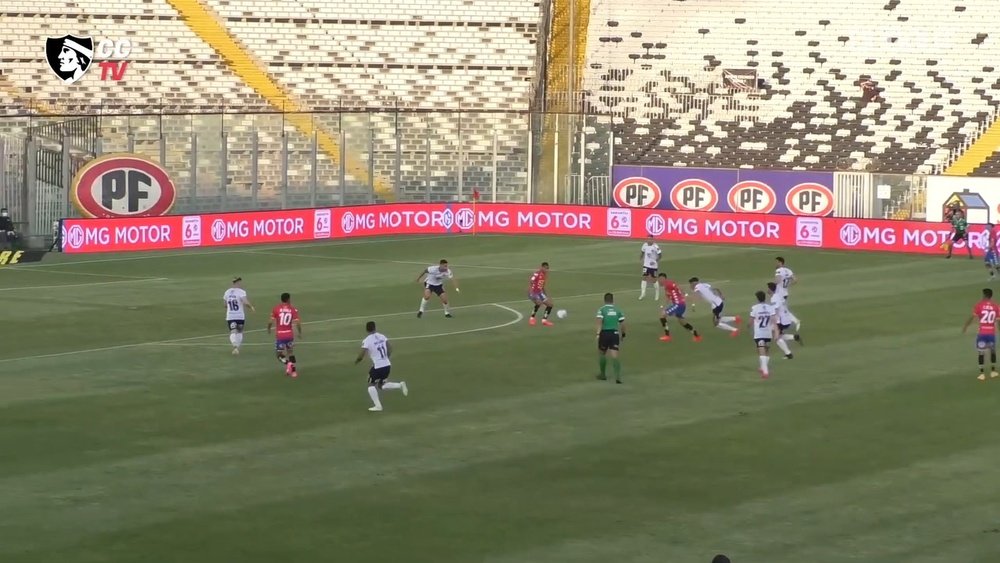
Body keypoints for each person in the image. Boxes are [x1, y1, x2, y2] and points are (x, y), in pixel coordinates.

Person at [355, 321, 408, 412]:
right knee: (381, 385)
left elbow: (361, 355)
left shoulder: (367, 340)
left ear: (367, 329)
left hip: (378, 366)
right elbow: (390, 348)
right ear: (375, 328)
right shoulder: (382, 336)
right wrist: (385, 358)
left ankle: (378, 406)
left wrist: (357, 361)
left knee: (370, 384)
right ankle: (400, 385)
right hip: (387, 365)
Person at [963, 288, 1000, 381]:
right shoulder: (996, 306)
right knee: (992, 351)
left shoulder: (979, 305)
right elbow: (998, 321)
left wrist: (966, 326)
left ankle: (982, 373)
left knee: (981, 352)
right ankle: (993, 372)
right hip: (991, 333)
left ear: (984, 295)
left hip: (982, 333)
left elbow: (972, 317)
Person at [267, 292, 302, 378]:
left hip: (280, 336)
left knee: (278, 355)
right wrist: (299, 333)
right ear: (288, 299)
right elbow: (297, 323)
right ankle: (294, 372)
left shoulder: (276, 309)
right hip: (289, 335)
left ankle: (288, 363)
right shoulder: (293, 309)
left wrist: (268, 329)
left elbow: (270, 321)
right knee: (290, 352)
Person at [657, 274, 700, 342]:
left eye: (659, 279)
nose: (658, 281)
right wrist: (663, 306)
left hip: (678, 304)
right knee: (682, 321)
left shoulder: (669, 283)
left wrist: (686, 295)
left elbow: (678, 287)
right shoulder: (666, 286)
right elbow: (668, 297)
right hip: (680, 305)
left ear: (662, 278)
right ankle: (696, 335)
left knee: (662, 315)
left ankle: (667, 335)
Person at [595, 292, 626, 383]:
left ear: (604, 300)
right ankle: (617, 377)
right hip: (615, 333)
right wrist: (623, 334)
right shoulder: (618, 310)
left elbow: (599, 321)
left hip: (604, 333)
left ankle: (603, 375)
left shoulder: (602, 310)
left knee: (602, 353)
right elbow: (623, 323)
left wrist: (597, 334)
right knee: (615, 355)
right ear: (613, 300)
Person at [767, 282, 802, 358]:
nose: (767, 290)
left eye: (768, 288)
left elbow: (775, 310)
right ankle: (794, 337)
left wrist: (772, 321)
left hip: (782, 320)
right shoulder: (778, 296)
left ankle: (788, 354)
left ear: (770, 289)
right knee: (778, 334)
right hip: (786, 319)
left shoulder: (774, 298)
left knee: (777, 338)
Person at [749, 290, 778, 379]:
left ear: (757, 299)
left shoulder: (755, 308)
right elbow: (774, 321)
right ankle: (762, 367)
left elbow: (751, 321)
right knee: (766, 351)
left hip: (759, 333)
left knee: (761, 352)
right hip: (768, 333)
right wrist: (776, 332)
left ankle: (765, 372)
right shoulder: (770, 308)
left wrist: (748, 325)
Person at [223, 277, 255, 355]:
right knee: (239, 332)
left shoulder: (227, 292)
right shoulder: (241, 292)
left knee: (233, 331)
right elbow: (245, 302)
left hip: (230, 316)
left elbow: (225, 305)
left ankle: (235, 347)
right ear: (237, 282)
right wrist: (251, 307)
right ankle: (236, 347)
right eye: (240, 282)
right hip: (240, 316)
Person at [774, 256, 801, 330]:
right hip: (785, 293)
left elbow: (778, 280)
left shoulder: (778, 270)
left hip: (779, 294)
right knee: (782, 309)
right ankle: (793, 321)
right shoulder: (788, 270)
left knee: (780, 309)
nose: (775, 264)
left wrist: (772, 286)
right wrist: (787, 285)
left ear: (780, 262)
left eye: (776, 262)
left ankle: (795, 321)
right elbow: (795, 280)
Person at [528, 261, 555, 326]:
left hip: (540, 293)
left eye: (547, 268)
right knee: (539, 303)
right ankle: (532, 318)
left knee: (550, 305)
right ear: (542, 267)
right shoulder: (537, 274)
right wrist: (532, 293)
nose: (546, 270)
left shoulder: (544, 276)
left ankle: (544, 321)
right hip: (533, 292)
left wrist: (546, 296)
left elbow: (542, 286)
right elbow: (531, 282)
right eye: (545, 268)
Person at [639, 235, 662, 300]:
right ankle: (643, 293)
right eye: (648, 239)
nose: (649, 240)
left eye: (650, 239)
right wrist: (640, 259)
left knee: (654, 280)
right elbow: (642, 253)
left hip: (653, 266)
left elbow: (660, 255)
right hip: (646, 265)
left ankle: (657, 294)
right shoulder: (644, 245)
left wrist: (655, 261)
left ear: (653, 240)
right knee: (644, 277)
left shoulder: (655, 246)